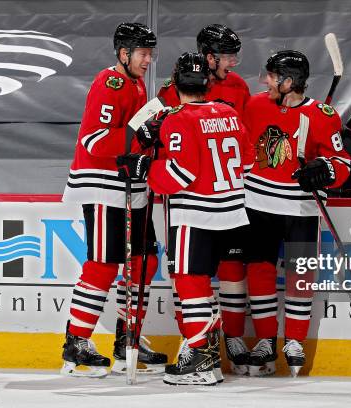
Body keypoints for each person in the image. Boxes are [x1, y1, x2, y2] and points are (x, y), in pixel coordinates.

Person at [118, 52, 253, 386]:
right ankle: (206, 352)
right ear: (207, 83)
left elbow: (179, 174)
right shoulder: (229, 113)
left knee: (190, 283)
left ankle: (200, 358)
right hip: (233, 212)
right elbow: (248, 163)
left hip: (196, 215)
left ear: (175, 82)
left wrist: (146, 167)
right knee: (205, 284)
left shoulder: (177, 118)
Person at [60, 22, 167, 378]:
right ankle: (76, 342)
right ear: (124, 53)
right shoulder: (111, 83)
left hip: (131, 188)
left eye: (150, 53)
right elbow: (95, 140)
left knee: (145, 261)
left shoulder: (135, 83)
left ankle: (127, 339)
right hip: (105, 186)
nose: (148, 59)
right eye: (143, 53)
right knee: (105, 264)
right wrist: (139, 136)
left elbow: (133, 134)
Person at [242, 50, 351, 377]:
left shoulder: (323, 115)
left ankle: (294, 341)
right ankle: (264, 341)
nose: (265, 81)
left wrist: (324, 169)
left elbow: (342, 163)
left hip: (301, 208)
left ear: (289, 82)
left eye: (272, 76)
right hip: (257, 203)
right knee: (259, 272)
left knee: (300, 275)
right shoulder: (255, 105)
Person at [158, 23, 252, 375]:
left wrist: (146, 166)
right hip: (220, 200)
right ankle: (195, 343)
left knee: (197, 275)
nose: (232, 62)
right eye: (227, 55)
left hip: (202, 201)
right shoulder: (186, 96)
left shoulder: (235, 89)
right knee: (188, 277)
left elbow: (178, 167)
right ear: (209, 58)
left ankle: (211, 345)